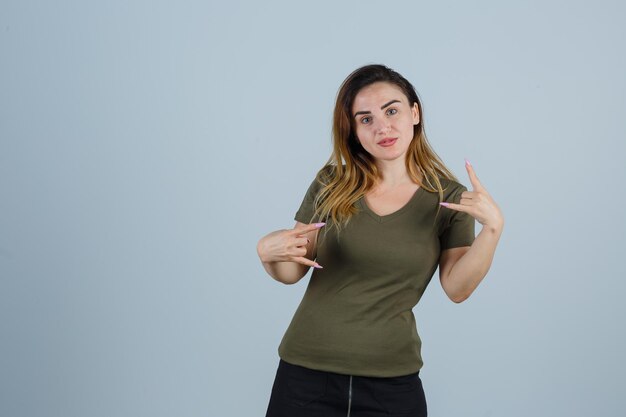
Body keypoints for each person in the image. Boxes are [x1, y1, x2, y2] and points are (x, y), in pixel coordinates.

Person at [257, 64, 504, 417]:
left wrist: (493, 230)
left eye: (392, 110)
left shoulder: (448, 198)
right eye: (366, 119)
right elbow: (292, 271)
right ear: (354, 130)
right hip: (306, 377)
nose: (382, 127)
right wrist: (267, 253)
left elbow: (457, 288)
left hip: (391, 385)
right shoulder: (332, 182)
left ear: (414, 113)